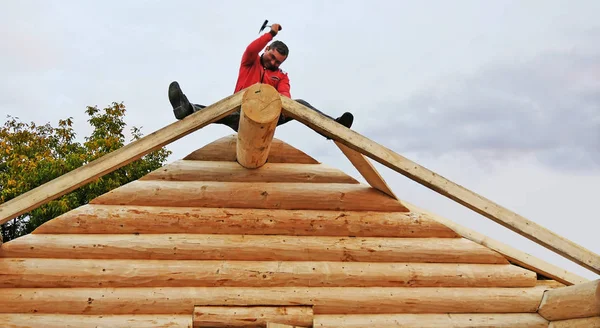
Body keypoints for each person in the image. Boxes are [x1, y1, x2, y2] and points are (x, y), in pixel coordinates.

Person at [167, 23, 354, 135]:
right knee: (219, 111)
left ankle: (333, 127)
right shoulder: (250, 62)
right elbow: (251, 49)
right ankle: (186, 109)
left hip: (268, 117)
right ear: (267, 50)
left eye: (278, 62)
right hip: (241, 113)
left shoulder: (281, 76)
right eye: (271, 56)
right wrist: (270, 34)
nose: (273, 62)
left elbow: (285, 97)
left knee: (301, 104)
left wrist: (280, 106)